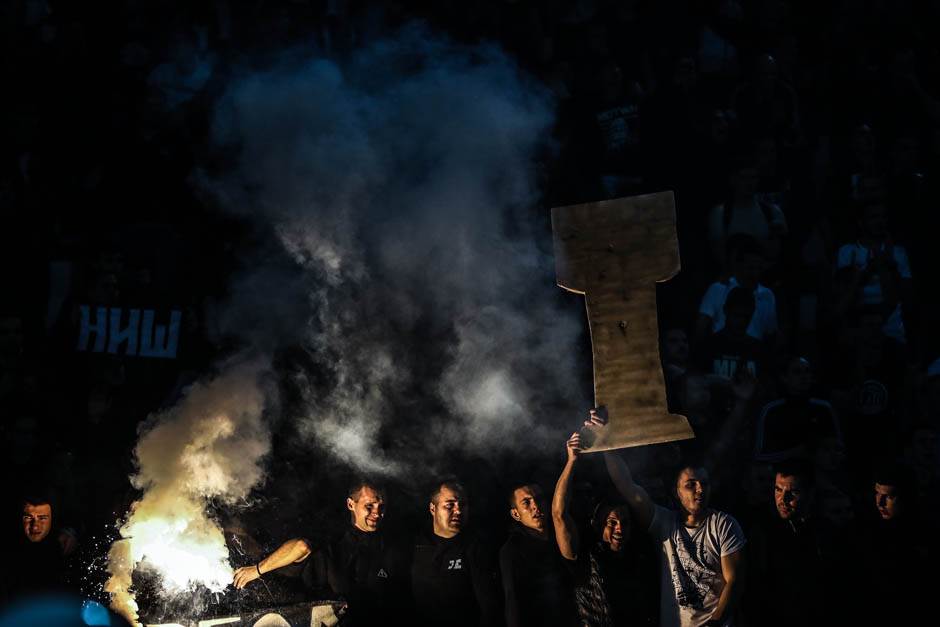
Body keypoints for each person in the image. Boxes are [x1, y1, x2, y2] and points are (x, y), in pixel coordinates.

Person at [592, 410, 746, 627]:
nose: (700, 489)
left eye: (704, 483)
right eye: (691, 484)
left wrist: (715, 623)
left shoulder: (723, 524)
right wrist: (605, 441)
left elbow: (735, 581)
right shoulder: (664, 523)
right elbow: (627, 486)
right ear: (676, 492)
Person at [232, 479, 409, 625]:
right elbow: (300, 546)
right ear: (351, 504)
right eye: (369, 506)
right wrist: (257, 570)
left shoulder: (389, 548)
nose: (377, 513)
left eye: (381, 507)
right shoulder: (331, 541)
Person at [552, 431, 655, 626]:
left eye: (624, 522)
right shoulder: (583, 556)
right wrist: (571, 461)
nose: (619, 529)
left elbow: (629, 487)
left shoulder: (638, 552)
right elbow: (559, 515)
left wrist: (607, 445)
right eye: (612, 522)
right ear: (597, 524)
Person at [745, 460, 828, 626]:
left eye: (793, 492)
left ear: (810, 493)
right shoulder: (762, 530)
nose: (783, 499)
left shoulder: (824, 531)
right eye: (778, 489)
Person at [410, 478, 501, 627]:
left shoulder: (476, 549)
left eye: (463, 505)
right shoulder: (415, 545)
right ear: (433, 509)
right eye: (450, 505)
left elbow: (490, 608)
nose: (458, 511)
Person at [500, 481, 579, 627]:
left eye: (539, 499)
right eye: (526, 502)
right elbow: (513, 599)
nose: (535, 506)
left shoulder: (561, 536)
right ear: (516, 514)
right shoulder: (512, 550)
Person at [753, 356, 842, 462]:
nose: (804, 376)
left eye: (807, 371)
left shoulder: (824, 407)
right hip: (782, 471)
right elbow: (758, 455)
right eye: (797, 372)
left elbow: (839, 447)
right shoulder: (771, 410)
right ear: (784, 378)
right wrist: (794, 453)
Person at [696, 234, 778, 344]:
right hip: (721, 349)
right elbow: (701, 325)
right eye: (750, 268)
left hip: (753, 352)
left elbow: (770, 332)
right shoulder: (719, 289)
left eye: (759, 268)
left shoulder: (767, 295)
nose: (755, 273)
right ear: (739, 266)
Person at [2, 493, 77, 601]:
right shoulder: (8, 554)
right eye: (28, 517)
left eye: (42, 518)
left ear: (53, 519)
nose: (35, 526)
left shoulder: (65, 548)